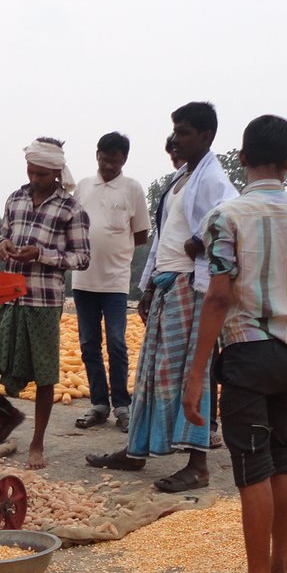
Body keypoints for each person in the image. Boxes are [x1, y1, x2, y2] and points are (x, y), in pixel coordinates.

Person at [182, 114, 287, 573]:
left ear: (242, 157)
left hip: (247, 352)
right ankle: (280, 572)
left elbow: (219, 297)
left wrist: (196, 372)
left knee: (253, 469)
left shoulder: (226, 217)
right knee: (280, 461)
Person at [87, 102, 237, 492]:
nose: (176, 139)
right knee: (153, 371)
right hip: (168, 282)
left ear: (206, 136)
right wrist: (150, 285)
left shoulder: (212, 178)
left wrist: (200, 241)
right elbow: (164, 233)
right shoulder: (182, 178)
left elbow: (231, 217)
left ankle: (198, 464)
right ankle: (136, 450)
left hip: (191, 285)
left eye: (184, 131)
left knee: (189, 371)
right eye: (175, 130)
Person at [0, 138, 91, 469]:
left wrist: (41, 255)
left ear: (57, 172)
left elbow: (82, 258)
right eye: (31, 171)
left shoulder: (71, 209)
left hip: (43, 300)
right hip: (10, 296)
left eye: (42, 174)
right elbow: (2, 234)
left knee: (44, 373)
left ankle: (37, 444)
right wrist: (2, 246)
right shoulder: (15, 198)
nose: (35, 178)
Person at [71, 132, 151, 432]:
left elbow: (141, 234)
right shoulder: (82, 187)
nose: (107, 166)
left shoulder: (132, 189)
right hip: (83, 279)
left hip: (116, 281)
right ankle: (99, 404)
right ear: (97, 155)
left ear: (124, 160)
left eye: (114, 162)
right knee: (88, 344)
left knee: (117, 343)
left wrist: (116, 247)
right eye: (104, 160)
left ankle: (122, 405)